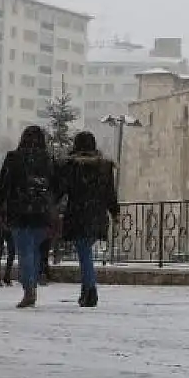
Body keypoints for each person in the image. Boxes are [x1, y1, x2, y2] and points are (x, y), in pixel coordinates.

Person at [0, 125, 59, 308]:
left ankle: (29, 288)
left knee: (24, 250)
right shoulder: (48, 160)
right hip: (41, 212)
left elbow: (2, 185)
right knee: (34, 250)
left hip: (19, 210)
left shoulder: (14, 158)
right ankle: (32, 283)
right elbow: (55, 187)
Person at [57, 131, 119, 308]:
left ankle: (90, 290)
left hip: (78, 214)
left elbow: (62, 189)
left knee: (84, 253)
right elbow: (110, 193)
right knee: (86, 252)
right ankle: (87, 290)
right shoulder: (104, 167)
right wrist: (115, 213)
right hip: (98, 215)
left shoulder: (72, 166)